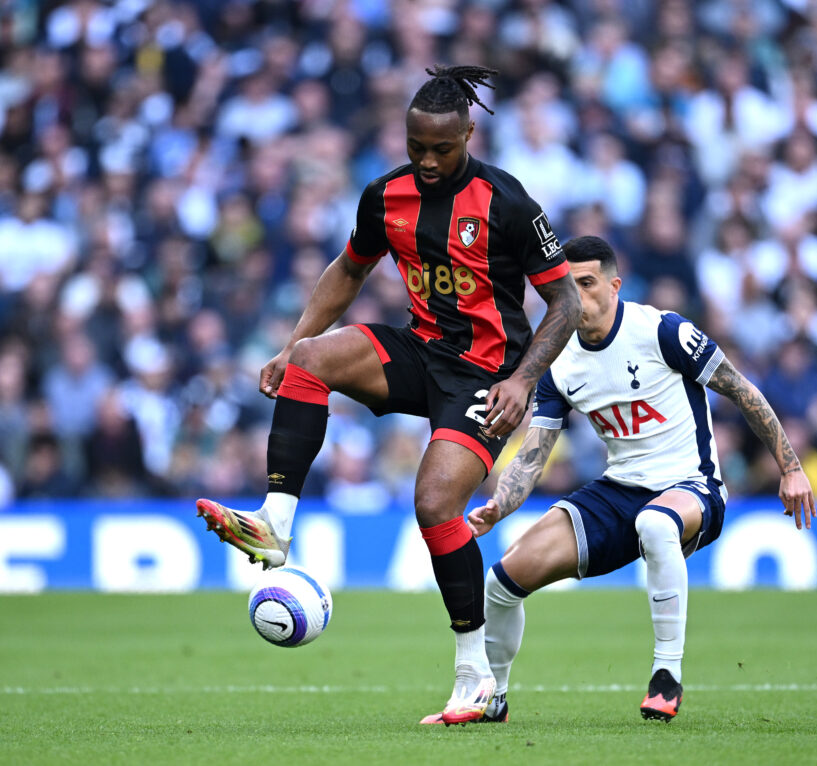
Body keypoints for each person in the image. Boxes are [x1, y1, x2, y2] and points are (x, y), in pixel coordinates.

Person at [195, 65, 582, 724]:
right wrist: (292, 343)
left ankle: (475, 677)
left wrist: (522, 379)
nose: (427, 161)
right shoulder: (385, 195)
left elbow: (565, 301)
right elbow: (349, 269)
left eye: (442, 149)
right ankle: (275, 526)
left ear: (468, 135)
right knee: (311, 362)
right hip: (420, 352)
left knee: (434, 504)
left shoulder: (508, 203)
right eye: (416, 147)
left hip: (485, 377)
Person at [437, 235, 815, 724]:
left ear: (615, 286)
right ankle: (494, 700)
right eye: (566, 287)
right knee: (501, 581)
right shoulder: (557, 362)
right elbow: (534, 453)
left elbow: (742, 390)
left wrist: (791, 467)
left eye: (587, 284)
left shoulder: (662, 331)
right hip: (619, 490)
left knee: (655, 524)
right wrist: (500, 505)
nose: (576, 298)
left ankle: (666, 674)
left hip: (690, 484)